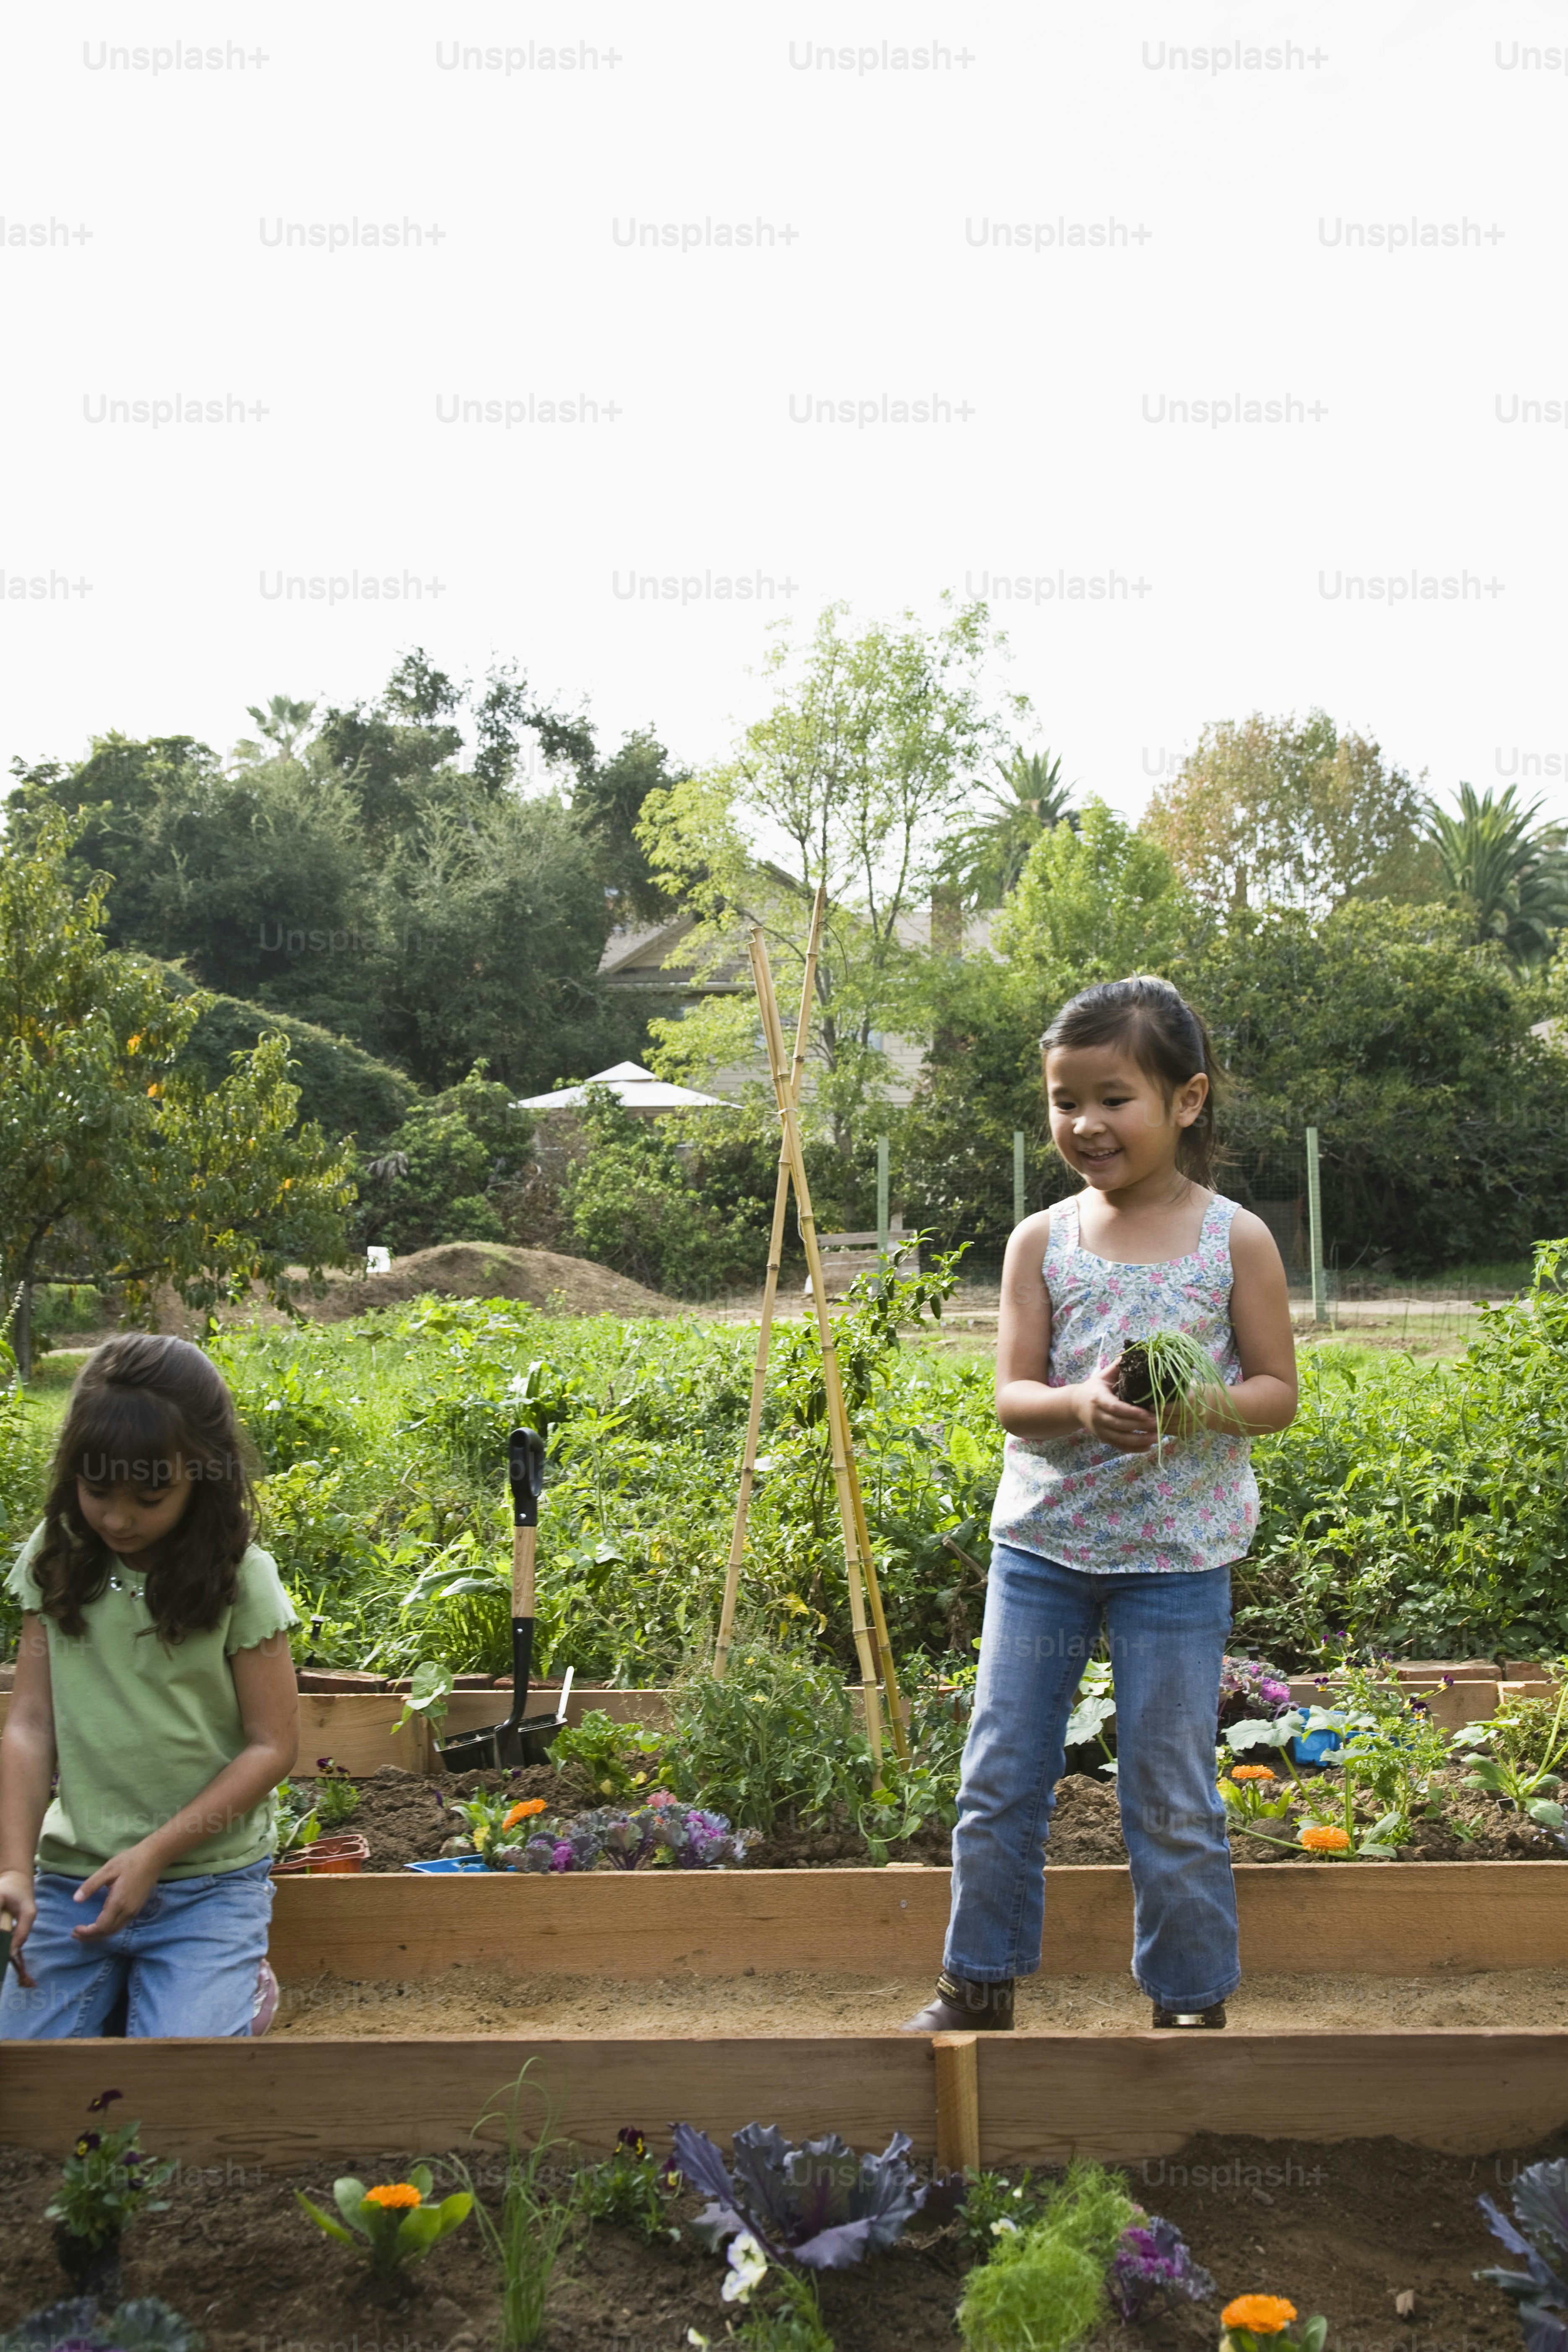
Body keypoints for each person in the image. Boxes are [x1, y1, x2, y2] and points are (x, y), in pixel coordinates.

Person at [903, 975, 1297, 2035]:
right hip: (1043, 1552)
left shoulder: (1234, 1240)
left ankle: (1187, 2003)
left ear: (1187, 1100)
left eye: (1112, 1097)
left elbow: (1276, 1394)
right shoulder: (1041, 1241)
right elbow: (1013, 1398)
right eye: (1063, 1100)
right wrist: (1077, 1402)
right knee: (1000, 1772)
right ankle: (977, 1981)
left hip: (1176, 1561)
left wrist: (1193, 1404)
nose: (1084, 1123)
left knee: (1169, 1791)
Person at [0, 1334, 298, 2038]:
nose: (118, 1518)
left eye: (150, 1496)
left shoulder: (238, 1575)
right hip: (75, 1879)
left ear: (203, 1474)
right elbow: (29, 1724)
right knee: (22, 2073)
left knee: (181, 2075)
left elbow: (272, 1745)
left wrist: (155, 1855)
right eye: (97, 1491)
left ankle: (236, 1984)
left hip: (206, 1883)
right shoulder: (57, 1555)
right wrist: (14, 1869)